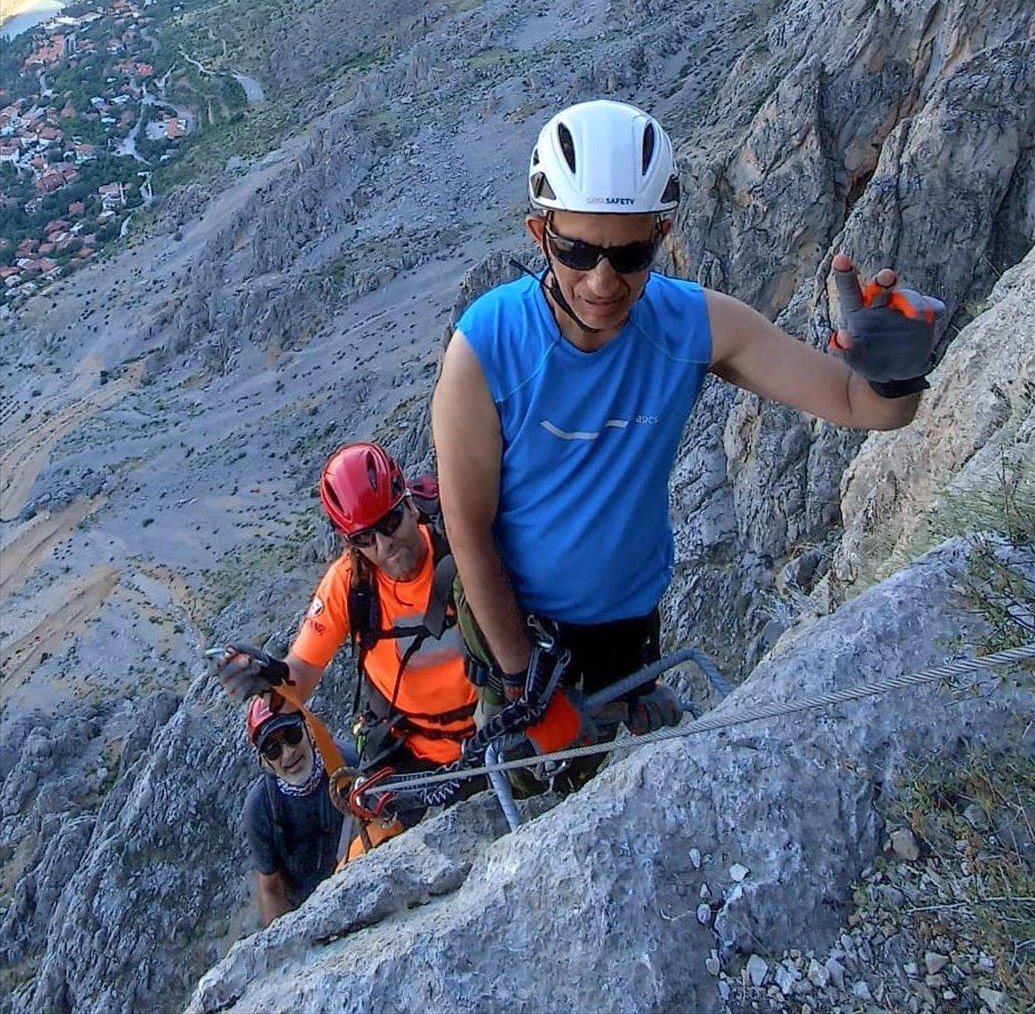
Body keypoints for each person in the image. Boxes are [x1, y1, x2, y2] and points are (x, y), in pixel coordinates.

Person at [431, 98, 944, 776]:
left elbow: (858, 405)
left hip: (629, 622)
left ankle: (628, 703)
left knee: (603, 757)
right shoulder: (488, 347)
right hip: (521, 630)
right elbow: (467, 530)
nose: (602, 280)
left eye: (630, 252)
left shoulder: (694, 326)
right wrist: (525, 683)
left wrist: (895, 376)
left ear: (662, 235)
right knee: (534, 784)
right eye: (576, 250)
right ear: (538, 233)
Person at [216, 442, 481, 853]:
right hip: (412, 754)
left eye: (391, 522)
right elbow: (298, 677)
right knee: (357, 861)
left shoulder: (459, 543)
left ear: (408, 503)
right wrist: (269, 678)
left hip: (491, 729)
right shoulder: (350, 585)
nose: (384, 546)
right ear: (350, 542)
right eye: (364, 538)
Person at [242, 694, 355, 926]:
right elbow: (271, 889)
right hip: (302, 913)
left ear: (309, 730)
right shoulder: (261, 808)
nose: (288, 753)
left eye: (292, 736)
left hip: (357, 887)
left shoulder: (347, 766)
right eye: (273, 750)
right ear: (265, 762)